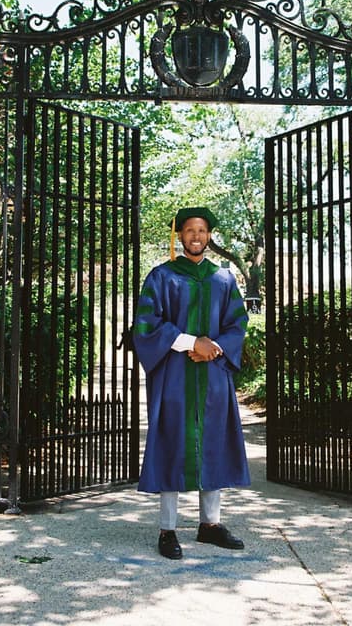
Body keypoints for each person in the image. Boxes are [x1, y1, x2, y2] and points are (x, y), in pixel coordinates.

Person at [132, 207, 251, 560]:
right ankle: (168, 529)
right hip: (174, 375)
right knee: (172, 442)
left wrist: (212, 349)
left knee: (213, 441)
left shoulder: (224, 279)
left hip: (213, 375)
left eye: (201, 230)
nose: (195, 236)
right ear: (180, 236)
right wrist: (189, 342)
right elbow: (146, 324)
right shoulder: (162, 277)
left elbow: (237, 325)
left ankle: (210, 525)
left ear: (209, 235)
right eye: (188, 230)